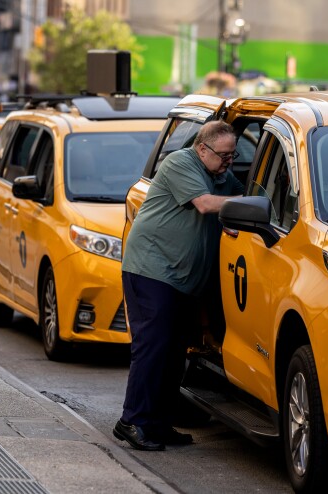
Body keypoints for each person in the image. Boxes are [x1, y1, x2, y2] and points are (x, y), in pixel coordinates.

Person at [113, 121, 245, 451]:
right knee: (152, 347)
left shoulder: (220, 174)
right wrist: (251, 206)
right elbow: (204, 204)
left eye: (234, 154)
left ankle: (158, 424)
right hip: (152, 271)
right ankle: (132, 421)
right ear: (203, 149)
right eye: (225, 155)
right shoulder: (180, 163)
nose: (230, 161)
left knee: (174, 354)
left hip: (183, 282)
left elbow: (242, 194)